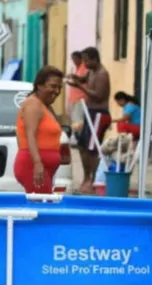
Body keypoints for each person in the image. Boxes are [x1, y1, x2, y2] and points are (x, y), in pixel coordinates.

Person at [15, 66, 65, 194]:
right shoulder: (33, 104)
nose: (57, 91)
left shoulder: (46, 106)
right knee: (43, 205)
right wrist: (37, 163)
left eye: (59, 87)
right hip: (33, 165)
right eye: (53, 86)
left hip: (43, 166)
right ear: (39, 86)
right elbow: (30, 135)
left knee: (41, 205)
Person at [68, 47, 111, 194]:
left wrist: (80, 87)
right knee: (82, 145)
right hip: (90, 113)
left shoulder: (102, 74)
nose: (84, 63)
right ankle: (87, 176)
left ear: (94, 59)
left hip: (99, 114)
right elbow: (83, 79)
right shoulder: (91, 71)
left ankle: (93, 180)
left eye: (86, 60)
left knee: (92, 149)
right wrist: (75, 79)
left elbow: (98, 95)